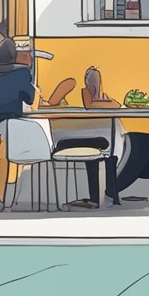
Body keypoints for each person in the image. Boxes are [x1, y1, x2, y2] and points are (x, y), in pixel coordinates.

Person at [51, 66, 121, 209]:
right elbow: (94, 105)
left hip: (81, 139)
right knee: (108, 153)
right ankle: (109, 196)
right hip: (84, 140)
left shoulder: (100, 97)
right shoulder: (88, 95)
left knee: (105, 154)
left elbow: (114, 105)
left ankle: (102, 197)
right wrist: (106, 103)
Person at [0, 39, 37, 207]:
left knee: (3, 157)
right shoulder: (21, 73)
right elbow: (30, 97)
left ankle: (3, 197)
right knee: (14, 155)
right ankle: (11, 195)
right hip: (11, 123)